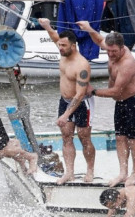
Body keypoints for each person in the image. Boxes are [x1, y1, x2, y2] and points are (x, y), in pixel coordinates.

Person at [77, 21, 135, 187]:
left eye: (114, 51)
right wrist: (89, 29)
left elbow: (115, 92)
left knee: (133, 139)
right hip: (122, 102)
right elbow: (99, 40)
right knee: (119, 138)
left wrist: (93, 91)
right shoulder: (111, 50)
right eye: (108, 51)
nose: (110, 54)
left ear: (122, 48)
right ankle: (123, 173)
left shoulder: (127, 63)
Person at [39, 18, 95, 183]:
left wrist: (65, 115)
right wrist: (47, 26)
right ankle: (69, 172)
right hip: (64, 99)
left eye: (63, 46)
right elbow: (54, 36)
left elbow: (79, 95)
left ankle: (90, 171)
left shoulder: (82, 65)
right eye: (59, 45)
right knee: (66, 136)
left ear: (73, 46)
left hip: (82, 102)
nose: (60, 48)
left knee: (84, 137)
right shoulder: (64, 52)